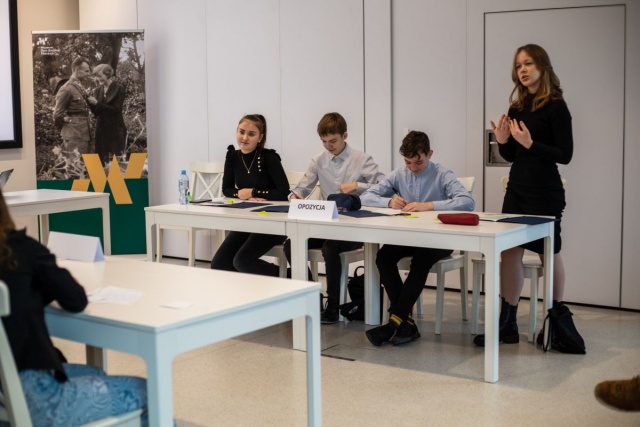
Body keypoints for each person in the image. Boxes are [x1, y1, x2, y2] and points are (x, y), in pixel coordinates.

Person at [0, 189, 148, 426]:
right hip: (37, 399)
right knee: (148, 391)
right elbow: (76, 300)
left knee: (95, 374)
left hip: (4, 398)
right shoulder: (21, 250)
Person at [474, 44, 573, 347]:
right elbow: (512, 155)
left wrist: (532, 144)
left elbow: (565, 154)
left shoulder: (556, 107)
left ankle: (554, 322)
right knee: (509, 252)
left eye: (528, 63)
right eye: (518, 66)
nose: (523, 70)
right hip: (517, 189)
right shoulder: (517, 108)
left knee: (549, 252)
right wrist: (504, 141)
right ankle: (507, 324)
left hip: (546, 192)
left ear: (542, 66)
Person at [360, 130, 475, 346]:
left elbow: (467, 202)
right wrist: (388, 202)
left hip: (440, 239)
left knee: (421, 259)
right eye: (408, 162)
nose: (413, 168)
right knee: (383, 257)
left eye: (418, 162)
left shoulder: (442, 174)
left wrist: (429, 206)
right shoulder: (399, 174)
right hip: (410, 236)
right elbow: (366, 196)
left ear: (430, 154)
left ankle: (396, 320)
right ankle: (405, 322)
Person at [283, 112, 385, 324]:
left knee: (330, 247)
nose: (328, 146)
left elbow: (384, 186)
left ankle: (333, 305)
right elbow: (303, 187)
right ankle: (310, 295)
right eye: (324, 141)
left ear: (344, 136)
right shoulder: (318, 160)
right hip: (328, 223)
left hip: (355, 226)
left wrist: (358, 185)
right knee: (292, 244)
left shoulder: (361, 159)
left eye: (333, 141)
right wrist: (295, 196)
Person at [211, 114, 290, 276]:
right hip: (248, 220)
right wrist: (241, 194)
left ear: (260, 138)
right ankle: (251, 286)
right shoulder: (232, 156)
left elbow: (284, 193)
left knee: (242, 261)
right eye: (241, 132)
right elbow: (226, 189)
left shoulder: (269, 157)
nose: (245, 138)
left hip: (273, 223)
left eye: (251, 134)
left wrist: (253, 192)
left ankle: (288, 277)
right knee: (219, 264)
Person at [87, 63, 127, 165]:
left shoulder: (119, 88)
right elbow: (97, 112)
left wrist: (97, 103)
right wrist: (90, 103)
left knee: (116, 160)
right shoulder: (97, 90)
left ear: (108, 74)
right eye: (96, 76)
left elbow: (116, 110)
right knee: (101, 159)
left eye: (100, 76)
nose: (98, 79)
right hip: (101, 129)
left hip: (115, 128)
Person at [52, 57, 93, 160]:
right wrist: (69, 121)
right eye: (86, 71)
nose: (89, 74)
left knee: (82, 165)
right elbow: (57, 115)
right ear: (77, 69)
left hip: (83, 134)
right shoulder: (67, 89)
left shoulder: (79, 86)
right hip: (74, 135)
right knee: (74, 166)